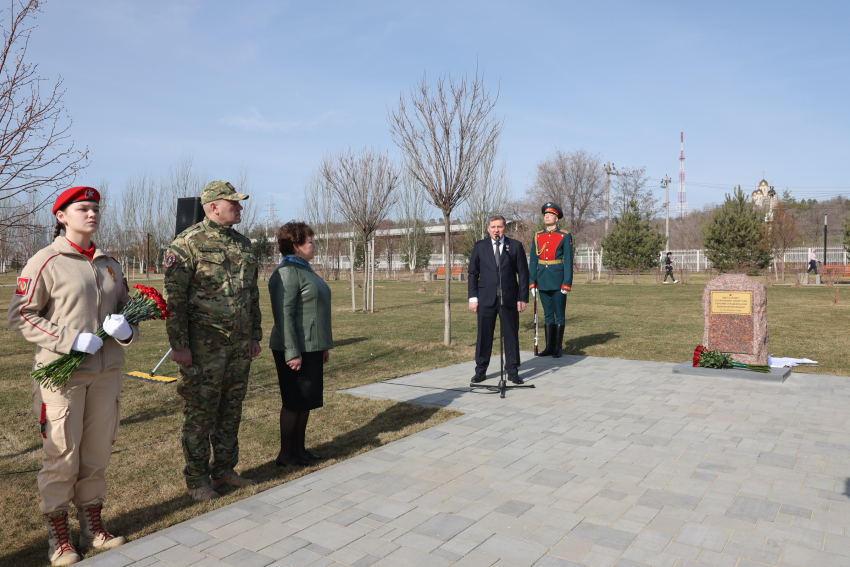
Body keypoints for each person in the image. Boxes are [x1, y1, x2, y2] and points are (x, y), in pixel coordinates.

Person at [8, 187, 138, 566]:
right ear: (61, 216)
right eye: (83, 208)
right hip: (62, 375)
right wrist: (70, 340)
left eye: (95, 208)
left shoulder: (110, 263)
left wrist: (127, 332)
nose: (92, 213)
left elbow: (128, 309)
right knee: (62, 454)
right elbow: (21, 314)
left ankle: (93, 525)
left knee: (96, 452)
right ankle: (59, 537)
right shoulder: (45, 261)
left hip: (106, 373)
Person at [163, 181, 262, 502]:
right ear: (213, 205)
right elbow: (174, 300)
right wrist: (179, 345)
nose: (241, 207)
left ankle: (224, 469)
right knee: (201, 413)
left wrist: (255, 335)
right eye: (234, 203)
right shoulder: (187, 244)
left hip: (239, 345)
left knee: (231, 409)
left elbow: (252, 295)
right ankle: (197, 479)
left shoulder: (245, 245)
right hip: (204, 348)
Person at [268, 222, 332, 466]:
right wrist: (292, 352)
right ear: (295, 245)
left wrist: (323, 345)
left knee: (305, 401)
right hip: (294, 348)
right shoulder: (286, 272)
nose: (313, 244)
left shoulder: (304, 268)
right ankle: (286, 455)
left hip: (312, 346)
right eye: (309, 241)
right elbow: (283, 316)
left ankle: (300, 451)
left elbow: (316, 309)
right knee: (294, 402)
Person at [468, 215, 529, 384]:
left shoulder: (515, 246)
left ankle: (512, 370)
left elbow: (523, 274)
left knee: (510, 335)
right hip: (485, 298)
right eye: (493, 227)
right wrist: (473, 298)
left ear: (505, 229)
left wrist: (522, 298)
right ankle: (480, 370)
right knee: (484, 335)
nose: (496, 230)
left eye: (500, 227)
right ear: (488, 229)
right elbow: (473, 273)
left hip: (509, 298)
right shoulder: (480, 246)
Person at [528, 203, 573, 357]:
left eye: (550, 214)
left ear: (556, 218)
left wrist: (567, 283)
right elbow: (533, 260)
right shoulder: (537, 236)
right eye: (545, 214)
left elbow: (568, 261)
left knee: (559, 314)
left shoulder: (564, 235)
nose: (546, 216)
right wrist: (532, 282)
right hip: (542, 280)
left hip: (558, 279)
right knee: (548, 314)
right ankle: (549, 347)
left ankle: (558, 348)